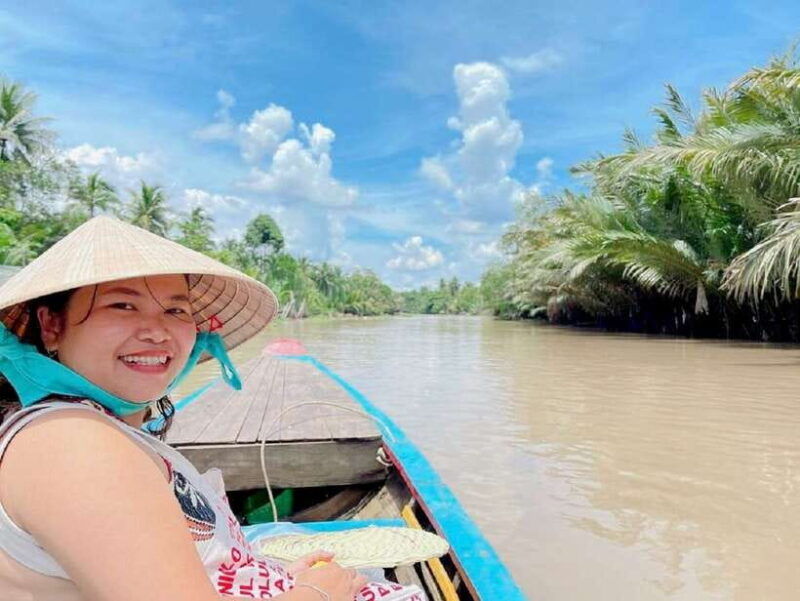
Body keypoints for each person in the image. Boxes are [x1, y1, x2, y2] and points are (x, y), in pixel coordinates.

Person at [0, 216, 425, 601]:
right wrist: (318, 592)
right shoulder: (71, 444)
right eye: (122, 305)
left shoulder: (99, 430)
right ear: (52, 325)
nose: (156, 330)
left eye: (175, 310)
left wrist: (272, 578)